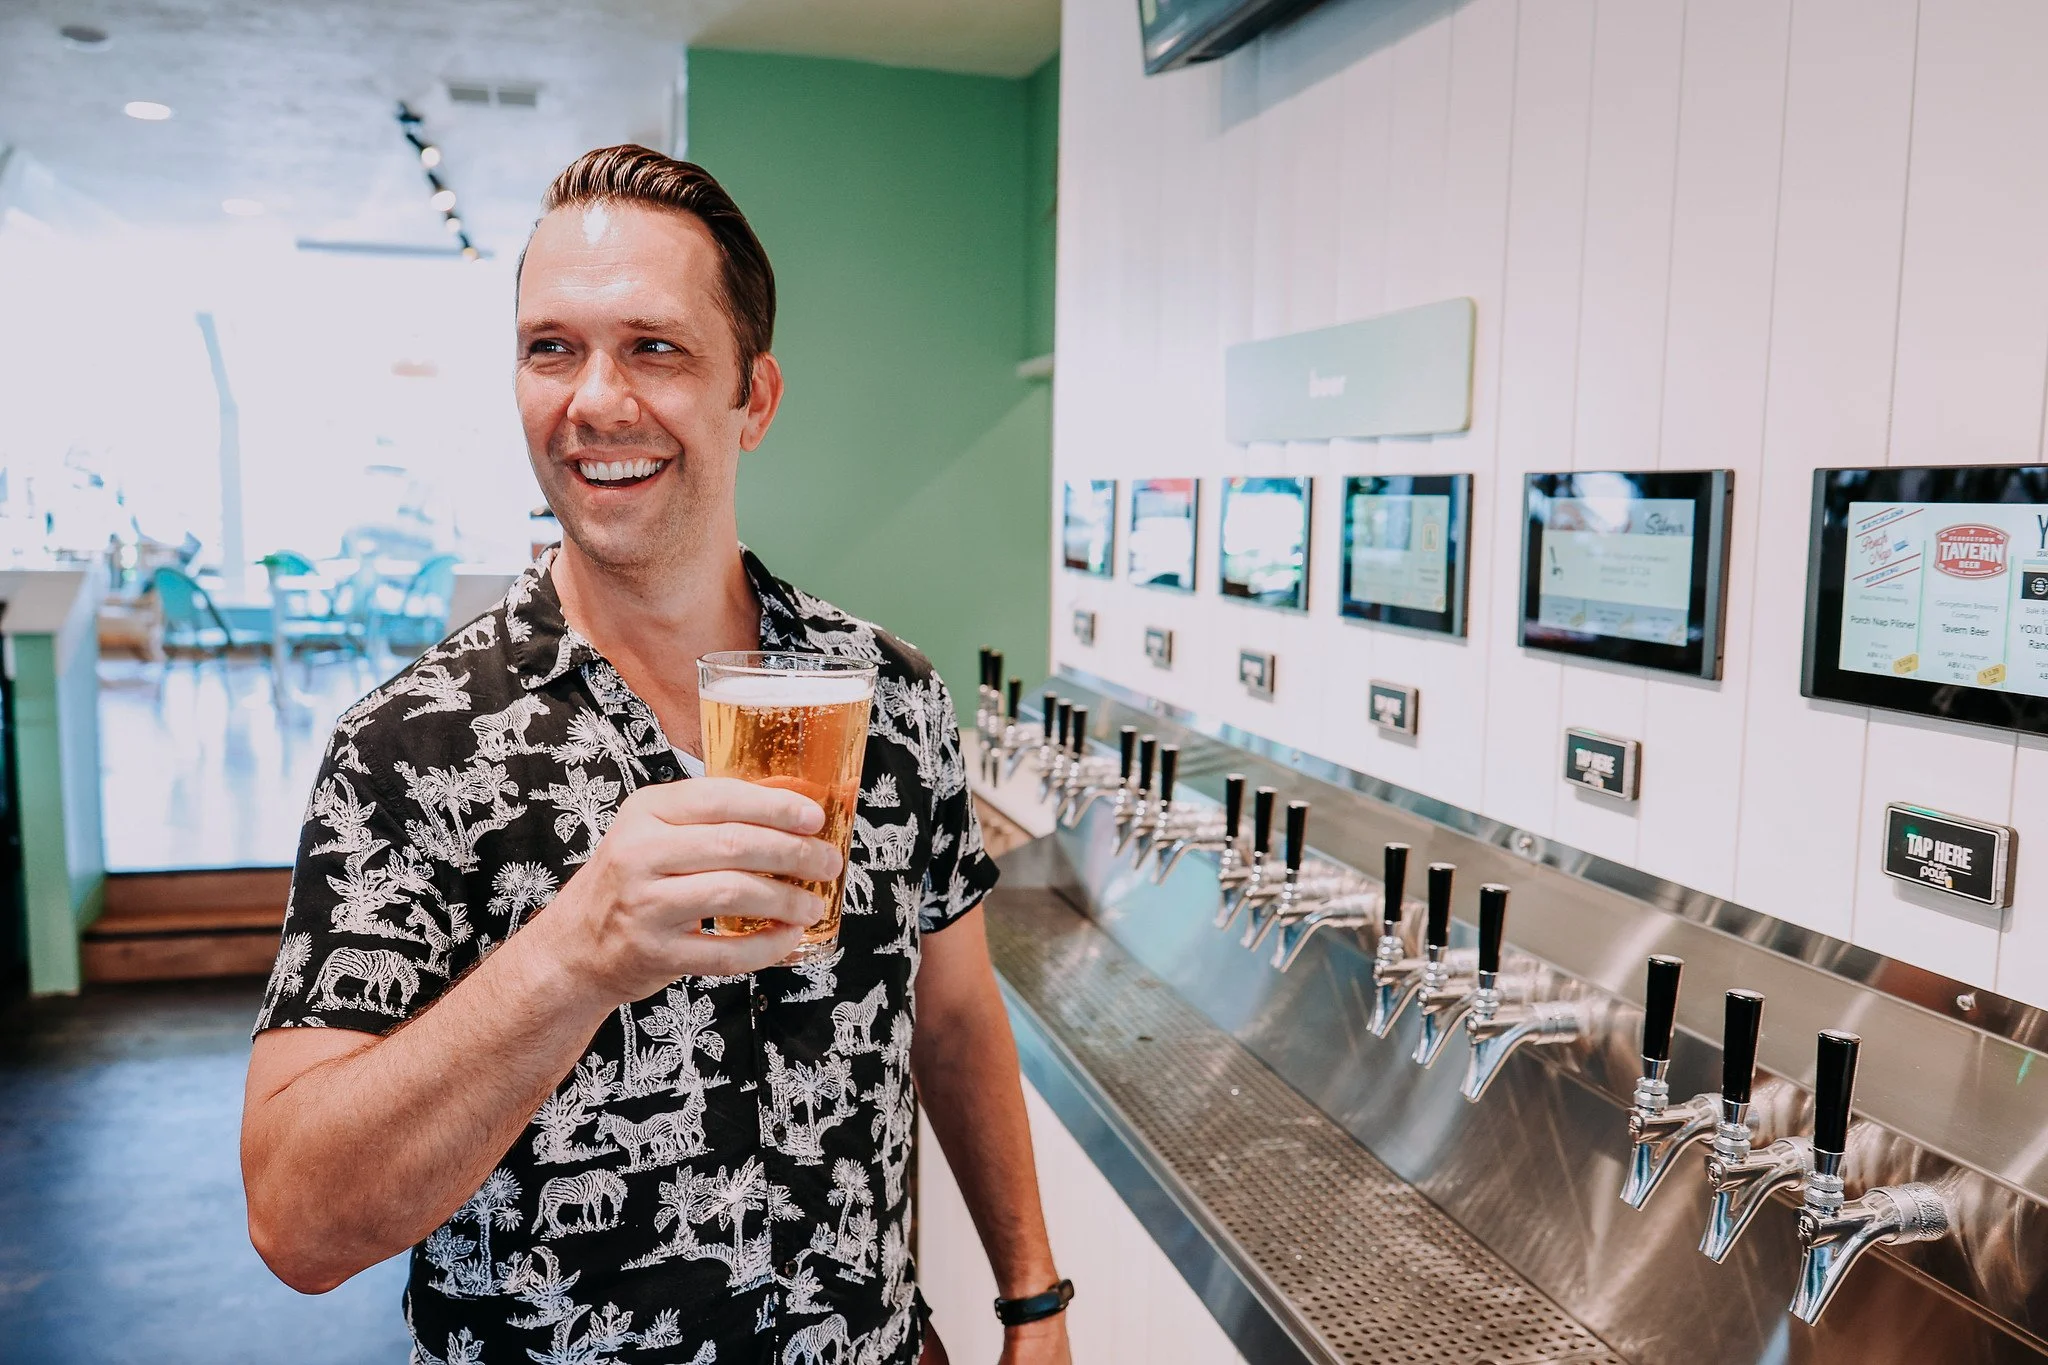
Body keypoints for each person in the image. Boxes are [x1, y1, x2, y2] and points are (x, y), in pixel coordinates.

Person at [241, 145, 1071, 1365]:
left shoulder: (889, 699)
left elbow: (949, 1020)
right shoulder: (407, 748)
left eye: (655, 348)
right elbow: (298, 1222)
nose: (594, 401)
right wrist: (577, 955)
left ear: (756, 397)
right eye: (551, 348)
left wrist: (1031, 1300)